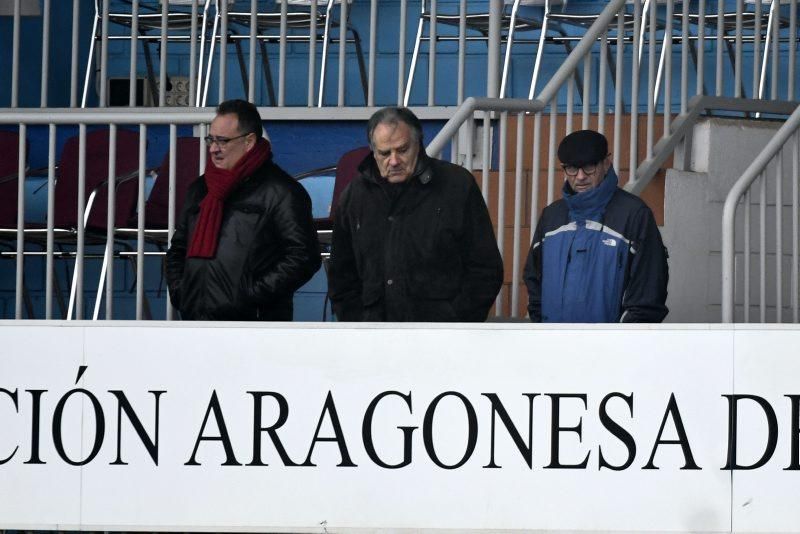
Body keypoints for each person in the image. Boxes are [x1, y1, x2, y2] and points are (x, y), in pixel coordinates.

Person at [328, 107, 503, 322]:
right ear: (373, 152)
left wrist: (456, 321)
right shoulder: (355, 195)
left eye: (402, 150)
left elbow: (485, 268)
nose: (393, 161)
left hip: (443, 337)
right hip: (374, 337)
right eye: (384, 153)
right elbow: (341, 275)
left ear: (418, 144)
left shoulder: (457, 186)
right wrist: (359, 323)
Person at [166, 99, 320, 320]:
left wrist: (251, 296)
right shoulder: (200, 189)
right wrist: (182, 292)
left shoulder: (281, 191)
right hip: (195, 320)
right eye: (211, 139)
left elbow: (303, 256)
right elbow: (177, 250)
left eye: (223, 141)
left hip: (255, 325)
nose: (213, 149)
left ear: (249, 141)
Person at [523, 129, 668, 323]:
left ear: (606, 163)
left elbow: (649, 292)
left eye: (589, 167)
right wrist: (543, 327)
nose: (580, 176)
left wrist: (622, 341)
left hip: (612, 349)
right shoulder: (551, 217)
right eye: (572, 168)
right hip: (554, 346)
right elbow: (534, 279)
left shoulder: (634, 215)